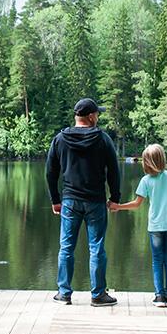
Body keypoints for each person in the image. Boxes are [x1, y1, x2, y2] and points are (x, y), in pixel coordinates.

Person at [45, 98, 121, 307]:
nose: (98, 116)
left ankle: (64, 293)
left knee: (66, 247)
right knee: (96, 247)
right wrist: (115, 198)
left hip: (70, 201)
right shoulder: (103, 139)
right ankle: (98, 295)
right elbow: (114, 171)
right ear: (90, 116)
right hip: (95, 201)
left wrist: (55, 200)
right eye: (97, 113)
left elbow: (50, 172)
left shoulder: (60, 139)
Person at [112, 144, 167, 308]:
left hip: (156, 227)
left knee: (157, 260)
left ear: (148, 162)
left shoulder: (146, 181)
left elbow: (136, 204)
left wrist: (118, 207)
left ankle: (159, 296)